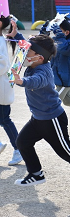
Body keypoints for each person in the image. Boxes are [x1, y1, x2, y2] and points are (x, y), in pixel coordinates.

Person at [10, 34, 70, 195]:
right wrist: (15, 35)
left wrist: (22, 81)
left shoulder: (44, 71)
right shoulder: (32, 65)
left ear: (39, 57)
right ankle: (36, 174)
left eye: (28, 52)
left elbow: (36, 81)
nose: (24, 54)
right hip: (38, 118)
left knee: (64, 150)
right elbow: (25, 44)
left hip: (52, 119)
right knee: (22, 142)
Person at [0, 16, 23, 166]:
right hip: (3, 86)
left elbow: (3, 65)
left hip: (2, 87)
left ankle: (18, 149)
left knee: (4, 120)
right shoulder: (3, 39)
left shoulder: (1, 41)